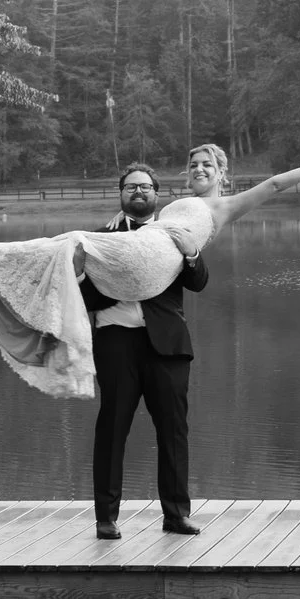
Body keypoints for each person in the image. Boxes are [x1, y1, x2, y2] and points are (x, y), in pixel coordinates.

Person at [0, 143, 300, 486]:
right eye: (194, 165)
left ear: (222, 174)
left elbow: (274, 184)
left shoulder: (225, 206)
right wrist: (120, 231)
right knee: (68, 245)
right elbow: (138, 230)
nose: (200, 169)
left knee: (172, 431)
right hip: (129, 298)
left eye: (208, 166)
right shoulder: (160, 213)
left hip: (161, 313)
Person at [84, 162, 206, 538]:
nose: (138, 192)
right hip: (116, 342)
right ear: (120, 195)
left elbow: (199, 283)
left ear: (156, 193)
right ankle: (106, 518)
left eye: (145, 187)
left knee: (173, 432)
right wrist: (117, 279)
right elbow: (85, 296)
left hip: (167, 346)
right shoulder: (98, 239)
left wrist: (191, 254)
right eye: (130, 187)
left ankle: (176, 515)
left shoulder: (172, 234)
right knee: (112, 429)